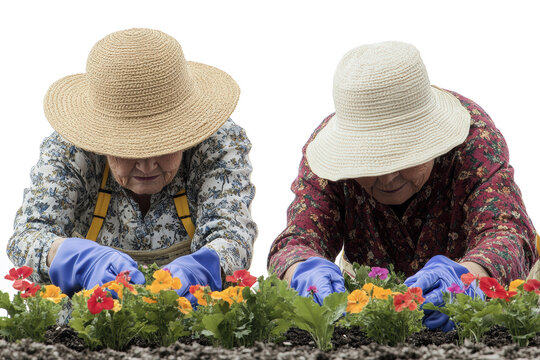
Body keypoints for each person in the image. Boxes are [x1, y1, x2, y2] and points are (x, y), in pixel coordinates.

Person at [267, 41, 537, 330]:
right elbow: (297, 240)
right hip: (372, 312)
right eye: (370, 163)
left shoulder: (475, 140)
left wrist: (469, 276)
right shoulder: (327, 159)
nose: (387, 178)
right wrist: (302, 270)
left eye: (403, 157)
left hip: (472, 307)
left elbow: (507, 232)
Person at [7, 28, 257, 303]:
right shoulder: (70, 151)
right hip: (87, 325)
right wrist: (74, 258)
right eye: (128, 149)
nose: (147, 165)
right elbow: (27, 237)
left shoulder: (217, 144)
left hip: (191, 315)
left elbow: (232, 236)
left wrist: (200, 270)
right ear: (100, 142)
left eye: (163, 146)